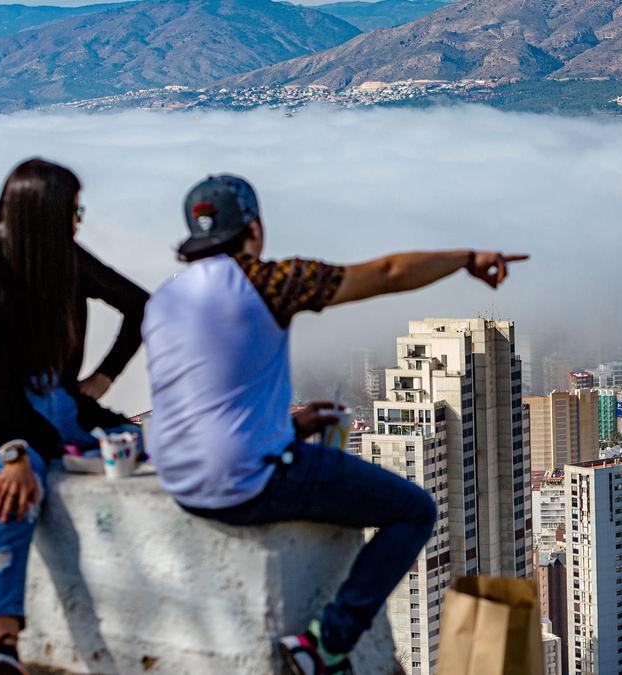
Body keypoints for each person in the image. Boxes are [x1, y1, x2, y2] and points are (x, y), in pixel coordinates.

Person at [143, 175, 527, 675]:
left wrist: (288, 425)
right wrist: (466, 258)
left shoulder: (164, 298)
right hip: (242, 484)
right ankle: (324, 646)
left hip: (177, 478)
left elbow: (205, 393)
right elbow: (388, 272)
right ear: (254, 229)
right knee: (413, 510)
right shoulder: (268, 282)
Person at [0, 158, 149, 675]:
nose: (79, 220)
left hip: (62, 401)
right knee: (15, 490)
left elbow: (141, 305)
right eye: (72, 209)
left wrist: (102, 379)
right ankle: (4, 644)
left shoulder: (61, 258)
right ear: (42, 211)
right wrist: (13, 452)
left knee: (144, 444)